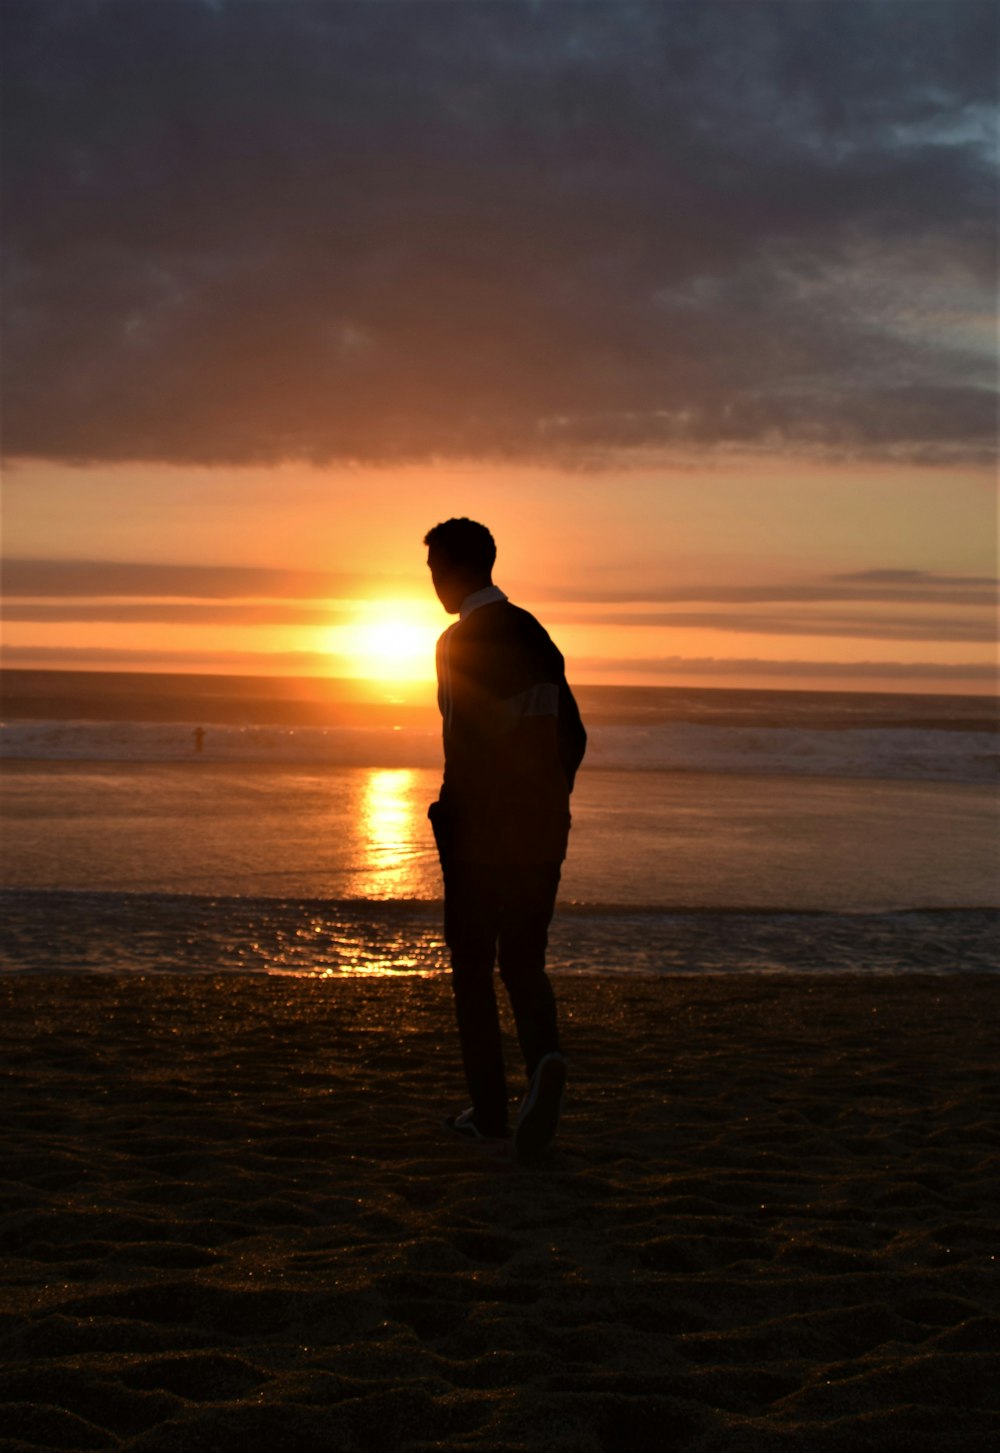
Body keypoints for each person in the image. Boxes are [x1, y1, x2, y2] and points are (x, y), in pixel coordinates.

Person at [424, 517, 586, 1164]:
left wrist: (451, 815)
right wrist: (550, 802)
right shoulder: (538, 635)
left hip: (479, 836)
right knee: (523, 961)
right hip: (542, 832)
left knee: (471, 970)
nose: (431, 582)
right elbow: (572, 736)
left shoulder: (458, 640)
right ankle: (545, 1060)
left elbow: (465, 741)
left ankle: (489, 1113)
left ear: (458, 569)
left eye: (435, 569)